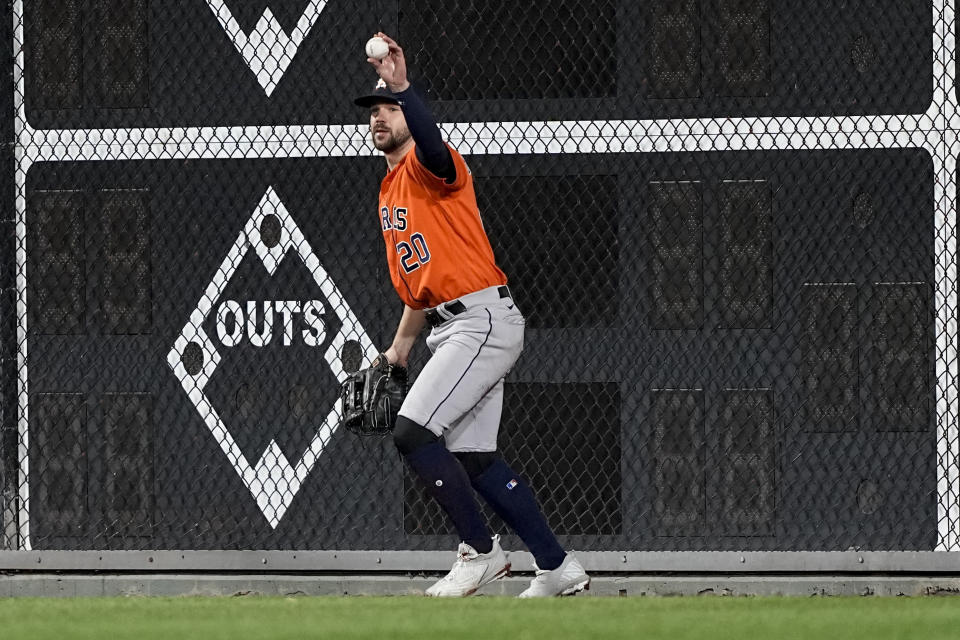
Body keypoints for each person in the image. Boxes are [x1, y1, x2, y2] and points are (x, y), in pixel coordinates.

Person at [353, 33, 590, 598]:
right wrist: (398, 351)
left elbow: (432, 143)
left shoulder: (436, 167)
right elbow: (421, 289)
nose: (379, 117)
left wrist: (405, 87)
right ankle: (559, 568)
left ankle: (479, 553)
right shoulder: (389, 192)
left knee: (413, 432)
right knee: (476, 456)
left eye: (389, 109)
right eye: (375, 110)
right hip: (453, 323)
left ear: (410, 114)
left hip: (481, 322)